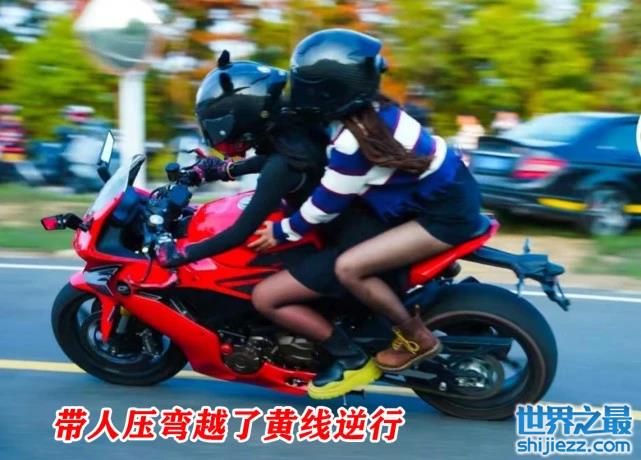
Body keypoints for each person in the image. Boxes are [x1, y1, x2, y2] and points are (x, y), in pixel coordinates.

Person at [251, 29, 487, 398]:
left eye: (304, 85)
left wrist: (282, 232)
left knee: (349, 267)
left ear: (326, 91)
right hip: (445, 192)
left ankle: (416, 337)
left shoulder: (352, 143)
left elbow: (324, 206)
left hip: (444, 215)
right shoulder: (373, 110)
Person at [155, 51, 329, 268]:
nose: (218, 132)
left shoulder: (281, 168)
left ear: (246, 119)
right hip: (324, 236)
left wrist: (178, 254)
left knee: (264, 290)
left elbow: (238, 234)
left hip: (337, 245)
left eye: (220, 124)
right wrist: (225, 170)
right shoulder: (295, 139)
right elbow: (268, 160)